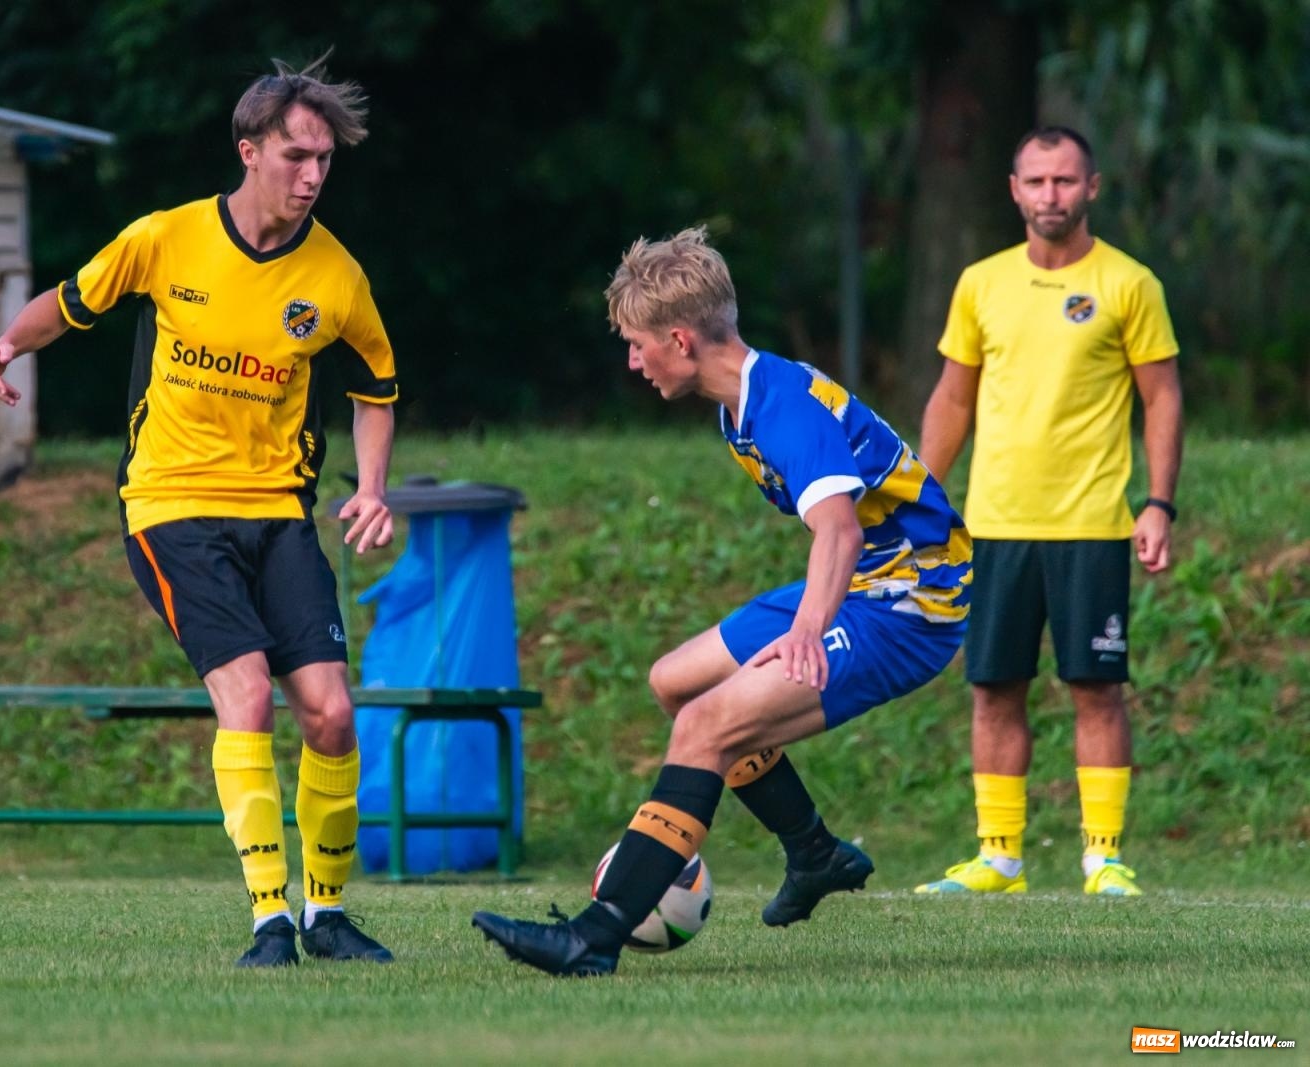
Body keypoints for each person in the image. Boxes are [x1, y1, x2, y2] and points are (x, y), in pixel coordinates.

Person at [0, 53, 400, 966]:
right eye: (295, 156)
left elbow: (376, 386)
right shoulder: (166, 239)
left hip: (279, 513)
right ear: (249, 151)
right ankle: (270, 920)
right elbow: (71, 301)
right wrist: (6, 344)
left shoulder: (337, 275)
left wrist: (370, 486)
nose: (312, 175)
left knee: (331, 713)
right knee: (247, 695)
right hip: (172, 505)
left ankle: (326, 914)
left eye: (324, 159)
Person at [471, 227, 972, 976]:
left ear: (679, 340)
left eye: (638, 345)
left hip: (912, 600)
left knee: (705, 726)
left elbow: (837, 529)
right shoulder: (740, 400)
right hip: (872, 576)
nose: (632, 361)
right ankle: (814, 852)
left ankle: (593, 938)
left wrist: (809, 631)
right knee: (677, 682)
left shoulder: (782, 407)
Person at [914, 126, 1183, 897]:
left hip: (1091, 524)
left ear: (1091, 187)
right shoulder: (981, 283)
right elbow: (953, 398)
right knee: (993, 687)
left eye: (1065, 180)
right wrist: (921, 500)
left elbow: (1162, 396)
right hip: (996, 524)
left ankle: (1104, 858)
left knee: (1096, 687)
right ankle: (999, 858)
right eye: (1036, 181)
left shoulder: (1130, 283)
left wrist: (1158, 503)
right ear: (1014, 190)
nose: (1050, 195)